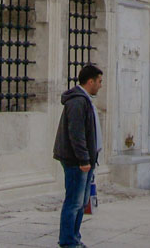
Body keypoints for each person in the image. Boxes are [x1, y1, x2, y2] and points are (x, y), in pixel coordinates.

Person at [52, 63, 104, 248]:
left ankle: (74, 237)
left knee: (81, 203)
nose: (100, 85)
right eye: (99, 81)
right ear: (90, 81)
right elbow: (76, 133)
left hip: (86, 160)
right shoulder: (77, 101)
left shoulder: (84, 99)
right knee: (73, 202)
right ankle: (67, 241)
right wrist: (83, 159)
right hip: (76, 161)